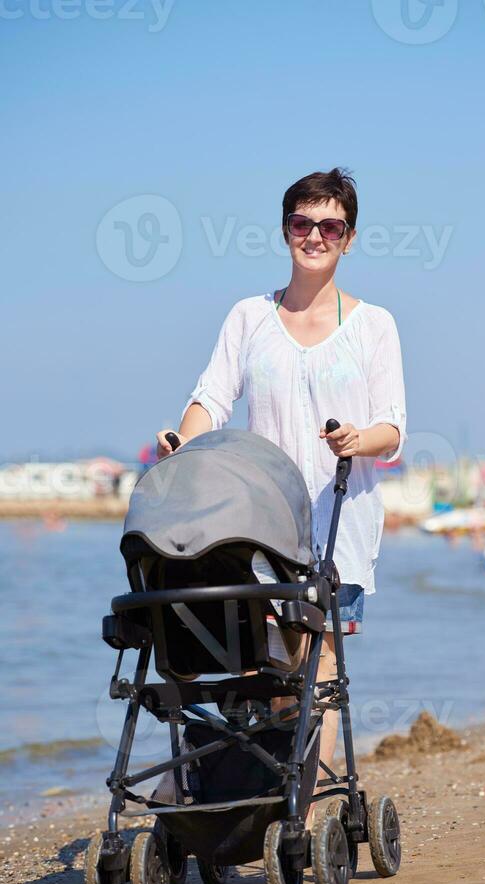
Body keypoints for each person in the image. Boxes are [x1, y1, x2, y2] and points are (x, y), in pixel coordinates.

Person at [155, 167, 407, 825]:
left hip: (336, 524)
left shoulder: (374, 324)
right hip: (254, 525)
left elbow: (394, 425)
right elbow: (210, 397)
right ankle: (244, 801)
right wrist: (185, 446)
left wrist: (359, 437)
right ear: (285, 229)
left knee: (316, 662)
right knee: (255, 667)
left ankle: (306, 814)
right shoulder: (249, 317)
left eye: (331, 226)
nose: (315, 236)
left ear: (348, 238)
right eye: (303, 223)